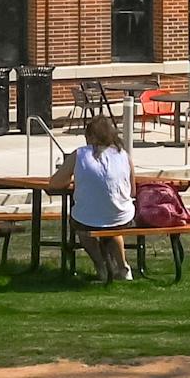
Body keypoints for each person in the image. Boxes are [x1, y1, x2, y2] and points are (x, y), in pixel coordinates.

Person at [55, 115, 136, 282]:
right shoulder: (124, 155)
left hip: (87, 219)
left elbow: (55, 183)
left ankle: (101, 265)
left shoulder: (80, 154)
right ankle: (123, 267)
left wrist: (76, 178)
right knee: (113, 226)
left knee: (83, 228)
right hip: (122, 216)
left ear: (91, 137)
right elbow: (132, 191)